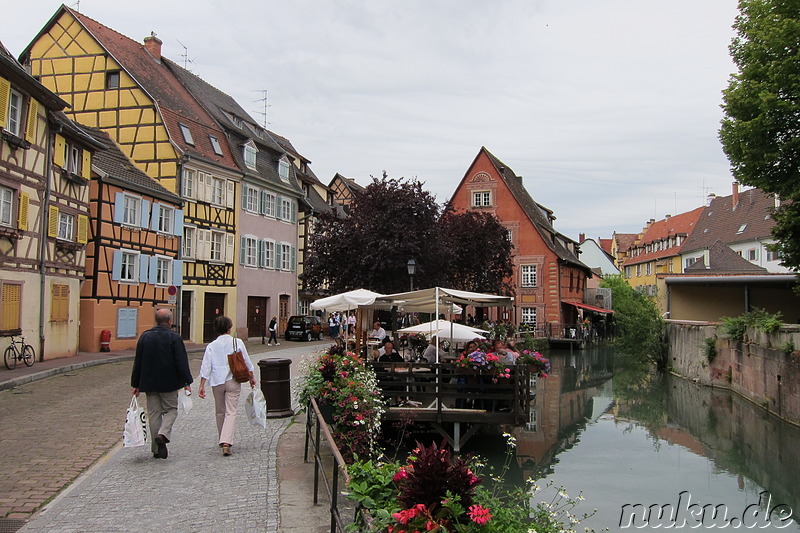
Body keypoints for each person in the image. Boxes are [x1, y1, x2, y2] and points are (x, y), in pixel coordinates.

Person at [131, 308, 193, 459]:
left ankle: (157, 449)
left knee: (154, 414)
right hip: (169, 382)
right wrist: (186, 381)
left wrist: (136, 383)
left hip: (149, 383)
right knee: (171, 410)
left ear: (156, 321)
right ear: (170, 321)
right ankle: (163, 434)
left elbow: (137, 362)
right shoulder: (174, 338)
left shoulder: (145, 337)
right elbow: (181, 362)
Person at [198, 316, 256, 456]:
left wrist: (201, 385)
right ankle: (226, 441)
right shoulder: (237, 342)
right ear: (229, 328)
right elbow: (246, 362)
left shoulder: (211, 346)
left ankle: (222, 437)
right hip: (233, 380)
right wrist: (251, 378)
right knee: (231, 411)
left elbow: (206, 366)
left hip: (217, 381)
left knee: (220, 411)